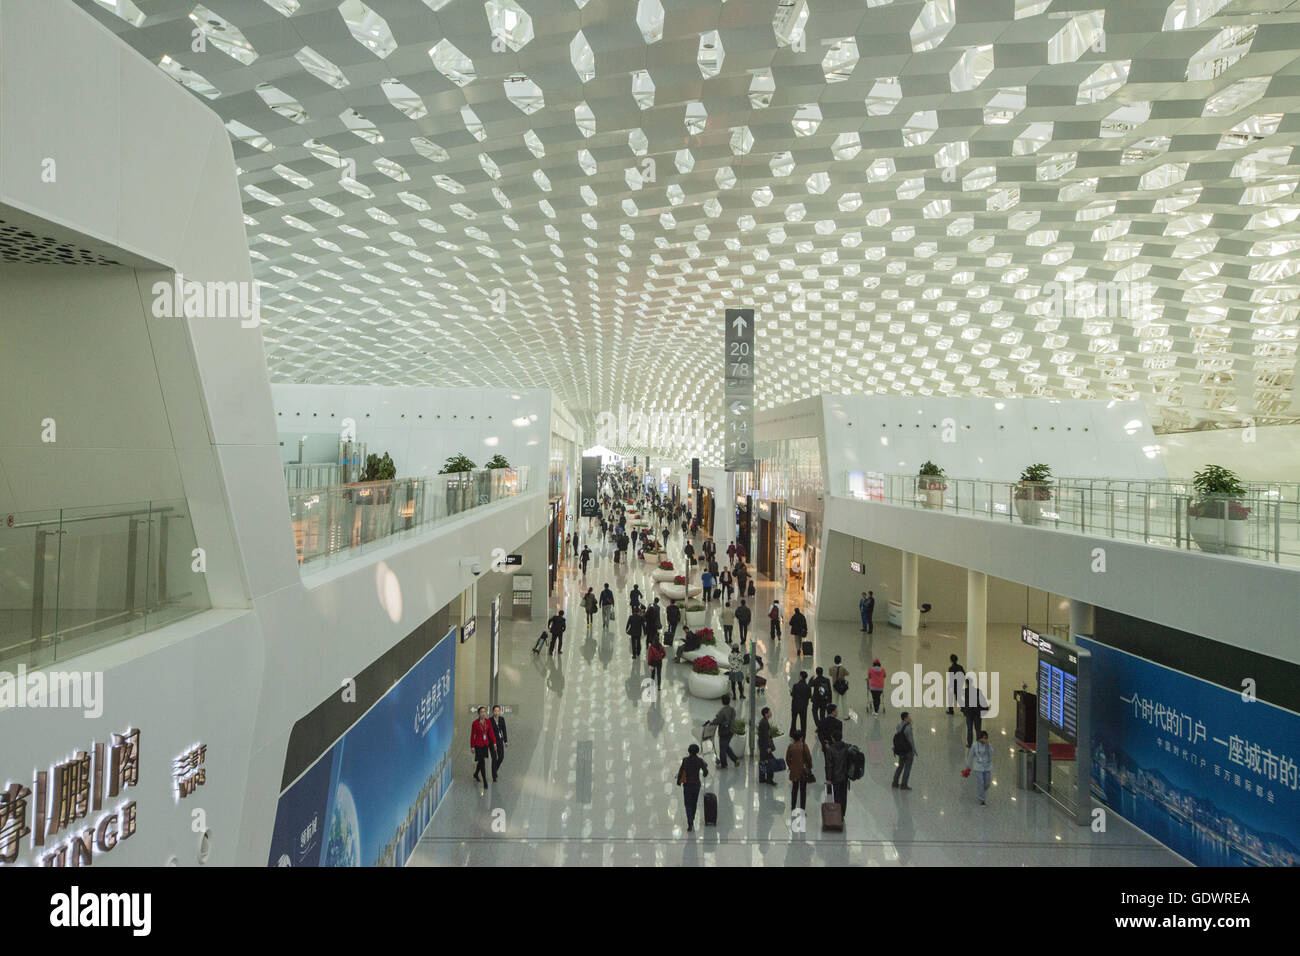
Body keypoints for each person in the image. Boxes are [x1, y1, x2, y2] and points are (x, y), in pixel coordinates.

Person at [676, 743, 710, 832]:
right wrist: (704, 770)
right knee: (694, 803)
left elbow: (681, 771)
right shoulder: (700, 761)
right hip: (696, 785)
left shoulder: (685, 760)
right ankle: (692, 818)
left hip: (687, 785)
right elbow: (706, 772)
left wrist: (679, 782)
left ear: (689, 751)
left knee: (687, 804)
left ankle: (690, 822)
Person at [470, 706, 497, 791]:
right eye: (481, 712)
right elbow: (472, 735)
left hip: (485, 744)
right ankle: (485, 781)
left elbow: (491, 732)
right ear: (478, 713)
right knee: (482, 762)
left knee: (481, 761)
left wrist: (494, 742)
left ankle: (476, 774)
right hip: (478, 745)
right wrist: (472, 746)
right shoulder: (475, 723)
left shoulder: (488, 722)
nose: (483, 713)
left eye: (484, 712)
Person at [786, 729, 813, 814]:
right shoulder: (804, 746)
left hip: (794, 772)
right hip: (803, 772)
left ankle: (793, 807)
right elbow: (809, 758)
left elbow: (787, 759)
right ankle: (802, 809)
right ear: (801, 738)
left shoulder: (791, 746)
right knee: (803, 791)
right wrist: (809, 766)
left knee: (794, 789)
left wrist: (791, 766)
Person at [964, 729, 994, 805]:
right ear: (979, 738)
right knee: (980, 782)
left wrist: (988, 746)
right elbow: (970, 756)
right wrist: (967, 766)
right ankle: (982, 799)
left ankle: (982, 791)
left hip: (987, 766)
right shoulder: (975, 745)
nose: (984, 740)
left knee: (987, 783)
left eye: (986, 738)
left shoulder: (988, 745)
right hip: (978, 767)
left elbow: (992, 753)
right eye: (983, 738)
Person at [714, 694, 741, 769]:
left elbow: (718, 720)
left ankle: (724, 765)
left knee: (722, 748)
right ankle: (735, 760)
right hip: (731, 730)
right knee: (726, 746)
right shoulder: (732, 709)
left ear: (722, 701)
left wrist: (711, 723)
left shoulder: (722, 711)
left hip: (724, 731)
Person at [817, 703, 843, 781]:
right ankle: (835, 778)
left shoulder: (822, 722)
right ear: (833, 712)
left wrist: (824, 743)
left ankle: (828, 779)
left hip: (826, 747)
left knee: (827, 763)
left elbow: (820, 734)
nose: (837, 712)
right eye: (836, 711)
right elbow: (839, 736)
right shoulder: (839, 723)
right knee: (836, 763)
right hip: (836, 747)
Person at [960, 678, 988, 747]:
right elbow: (983, 700)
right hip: (977, 712)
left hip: (969, 713)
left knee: (969, 729)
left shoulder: (964, 691)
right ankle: (979, 744)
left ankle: (970, 744)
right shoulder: (978, 691)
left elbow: (962, 703)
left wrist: (963, 710)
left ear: (966, 684)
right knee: (978, 729)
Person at [892, 711, 915, 790]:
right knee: (907, 768)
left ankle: (895, 782)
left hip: (901, 750)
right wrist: (913, 750)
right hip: (907, 751)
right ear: (905, 718)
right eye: (909, 717)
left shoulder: (899, 725)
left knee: (900, 766)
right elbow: (911, 740)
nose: (910, 718)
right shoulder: (908, 728)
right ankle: (904, 784)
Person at [757, 707, 777, 785]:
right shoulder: (764, 723)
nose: (771, 713)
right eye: (769, 712)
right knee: (771, 762)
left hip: (762, 746)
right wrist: (768, 747)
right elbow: (766, 736)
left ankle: (762, 778)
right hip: (765, 747)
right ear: (766, 714)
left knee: (762, 762)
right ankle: (769, 779)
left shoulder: (763, 721)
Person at [489, 705, 508, 782]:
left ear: (499, 712)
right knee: (494, 758)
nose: (496, 712)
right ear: (492, 712)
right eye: (495, 711)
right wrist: (493, 743)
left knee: (501, 757)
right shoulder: (489, 720)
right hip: (492, 742)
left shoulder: (502, 719)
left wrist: (506, 741)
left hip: (500, 740)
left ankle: (495, 770)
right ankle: (494, 776)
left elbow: (504, 730)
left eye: (498, 711)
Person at [790, 671, 811, 736]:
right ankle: (803, 733)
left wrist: (791, 693)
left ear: (801, 677)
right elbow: (809, 696)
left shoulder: (795, 686)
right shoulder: (808, 687)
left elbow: (793, 695)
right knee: (803, 721)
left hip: (795, 705)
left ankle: (792, 732)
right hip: (804, 706)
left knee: (794, 720)